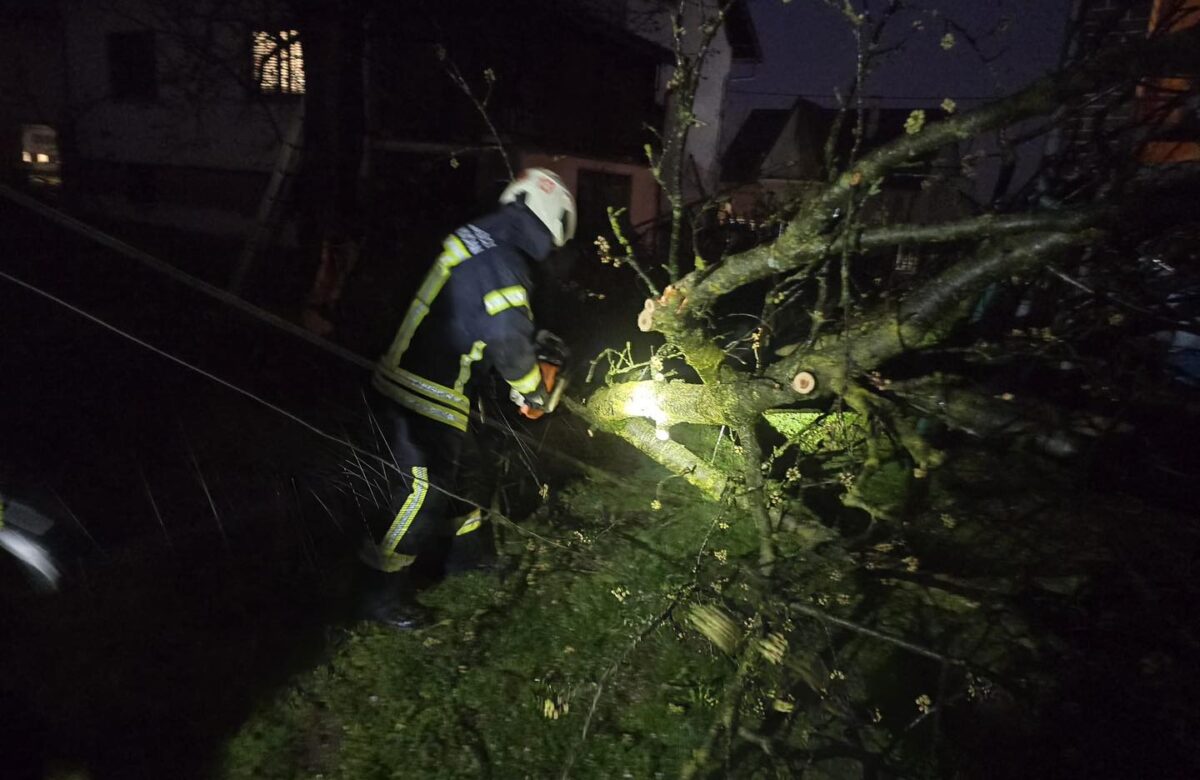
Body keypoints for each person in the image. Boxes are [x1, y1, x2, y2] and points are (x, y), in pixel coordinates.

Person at [359, 168, 575, 628]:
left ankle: (470, 557)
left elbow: (485, 319)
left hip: (440, 382)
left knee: (471, 473)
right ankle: (380, 590)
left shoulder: (485, 237)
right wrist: (535, 389)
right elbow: (505, 336)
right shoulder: (505, 259)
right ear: (555, 227)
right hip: (425, 386)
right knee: (422, 491)